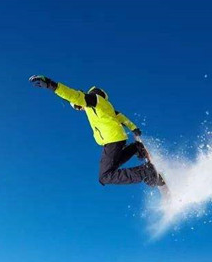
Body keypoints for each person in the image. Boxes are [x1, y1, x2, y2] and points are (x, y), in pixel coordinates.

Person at [29, 75, 165, 187]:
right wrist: (134, 129)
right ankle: (136, 148)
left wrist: (50, 85)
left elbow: (73, 95)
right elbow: (120, 116)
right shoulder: (104, 105)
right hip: (117, 138)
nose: (79, 109)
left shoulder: (92, 100)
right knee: (114, 164)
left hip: (112, 139)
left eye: (77, 107)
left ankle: (146, 172)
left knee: (105, 176)